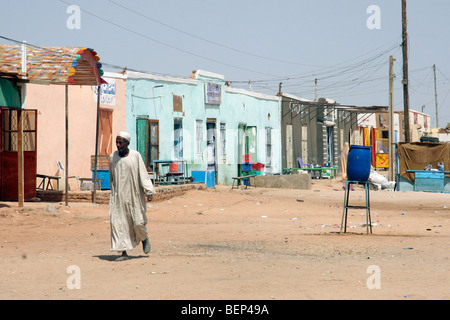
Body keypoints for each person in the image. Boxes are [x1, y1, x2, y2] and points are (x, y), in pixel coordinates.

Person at [109, 131, 156, 261]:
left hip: (134, 195)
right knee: (119, 224)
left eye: (121, 142)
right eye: (116, 142)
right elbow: (112, 176)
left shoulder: (135, 155)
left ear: (127, 143)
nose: (118, 145)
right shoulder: (112, 157)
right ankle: (123, 253)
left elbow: (143, 173)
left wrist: (148, 191)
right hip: (119, 197)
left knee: (138, 222)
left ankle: (144, 238)